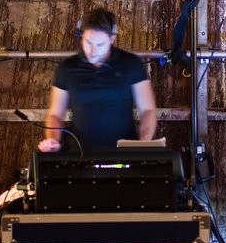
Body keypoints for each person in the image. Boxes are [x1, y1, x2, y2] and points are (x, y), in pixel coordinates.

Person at [37, 9, 158, 152]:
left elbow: (148, 110)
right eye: (88, 43)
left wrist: (143, 144)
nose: (93, 51)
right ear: (81, 37)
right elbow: (55, 114)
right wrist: (53, 140)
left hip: (123, 154)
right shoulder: (67, 68)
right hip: (79, 156)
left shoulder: (131, 64)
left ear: (112, 39)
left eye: (100, 45)